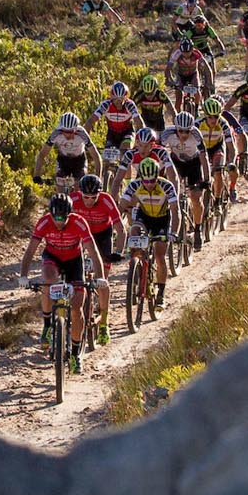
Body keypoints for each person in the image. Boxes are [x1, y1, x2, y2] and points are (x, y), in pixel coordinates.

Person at [17, 193, 109, 369]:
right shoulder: (44, 222)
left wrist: (100, 278)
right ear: (50, 213)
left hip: (75, 260)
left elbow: (93, 252)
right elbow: (30, 251)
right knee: (47, 280)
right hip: (53, 257)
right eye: (55, 217)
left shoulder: (79, 222)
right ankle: (47, 326)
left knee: (76, 307)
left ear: (69, 214)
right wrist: (23, 276)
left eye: (63, 217)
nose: (59, 221)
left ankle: (75, 355)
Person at [117, 156, 179, 303]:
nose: (149, 184)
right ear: (141, 177)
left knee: (159, 256)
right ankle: (136, 270)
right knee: (134, 231)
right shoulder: (134, 185)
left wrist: (174, 232)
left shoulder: (167, 186)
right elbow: (122, 206)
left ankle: (161, 293)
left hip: (162, 219)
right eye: (146, 180)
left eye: (152, 180)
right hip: (144, 217)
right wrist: (115, 223)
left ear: (158, 176)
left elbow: (176, 212)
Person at [70, 173, 123, 345]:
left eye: (94, 197)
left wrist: (118, 251)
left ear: (99, 194)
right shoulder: (73, 199)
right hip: (81, 235)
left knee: (103, 281)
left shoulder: (107, 200)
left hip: (102, 236)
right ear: (80, 193)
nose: (89, 200)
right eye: (86, 197)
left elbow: (121, 229)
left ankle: (104, 323)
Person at [159, 110, 215, 232]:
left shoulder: (196, 134)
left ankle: (198, 229)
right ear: (176, 128)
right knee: (171, 192)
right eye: (181, 131)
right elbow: (157, 154)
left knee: (195, 197)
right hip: (176, 163)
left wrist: (207, 179)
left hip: (193, 164)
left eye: (187, 131)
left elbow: (204, 158)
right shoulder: (167, 133)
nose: (184, 134)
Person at [91, 81, 142, 191]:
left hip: (127, 132)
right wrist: (84, 136)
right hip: (112, 134)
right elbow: (92, 120)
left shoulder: (130, 105)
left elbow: (139, 122)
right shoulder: (106, 104)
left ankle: (128, 186)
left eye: (121, 99)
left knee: (126, 155)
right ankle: (106, 182)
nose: (118, 102)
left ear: (125, 97)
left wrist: (143, 136)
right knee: (108, 160)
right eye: (116, 99)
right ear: (111, 97)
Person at [32, 111, 102, 189]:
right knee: (59, 189)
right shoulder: (56, 133)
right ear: (61, 128)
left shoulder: (82, 133)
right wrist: (36, 175)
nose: (67, 135)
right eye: (65, 131)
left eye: (71, 132)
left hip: (79, 160)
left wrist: (98, 177)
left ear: (76, 129)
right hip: (63, 160)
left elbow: (96, 156)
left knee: (79, 187)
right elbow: (42, 154)